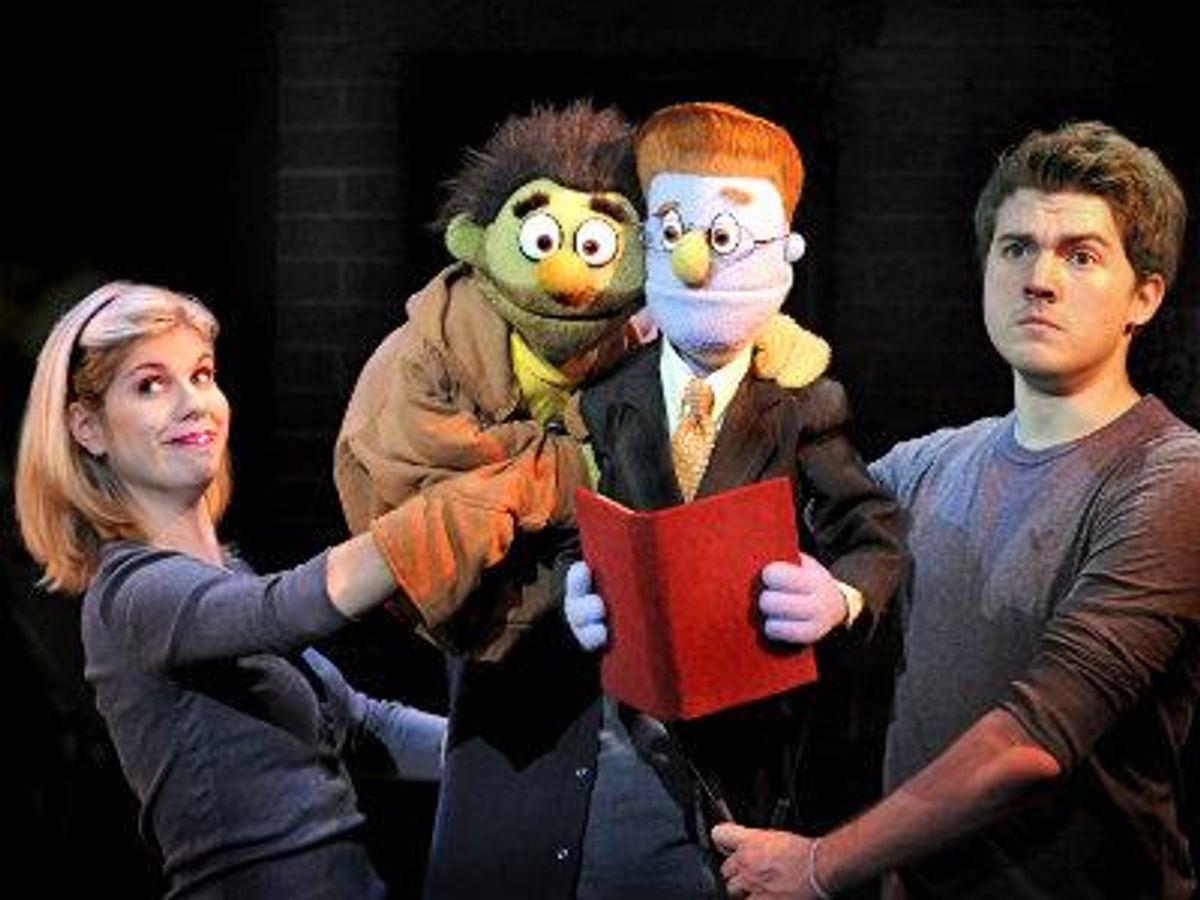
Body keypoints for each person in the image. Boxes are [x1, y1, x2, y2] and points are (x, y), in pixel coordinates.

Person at [711, 120, 1200, 900]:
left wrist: (819, 865)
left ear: (1143, 296)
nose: (1039, 279)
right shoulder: (926, 466)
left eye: (1080, 255)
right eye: (1016, 248)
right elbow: (734, 535)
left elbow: (1032, 742)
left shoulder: (1172, 476)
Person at [8, 280, 543, 899]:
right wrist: (479, 499)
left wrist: (522, 758)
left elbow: (366, 727)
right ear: (87, 427)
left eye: (201, 374)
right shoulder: (131, 595)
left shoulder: (226, 577)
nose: (193, 403)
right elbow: (291, 607)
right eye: (151, 385)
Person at [563, 101, 907, 897]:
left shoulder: (802, 406)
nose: (694, 263)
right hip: (623, 738)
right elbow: (573, 521)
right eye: (674, 232)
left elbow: (873, 530)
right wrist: (577, 585)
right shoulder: (604, 399)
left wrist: (840, 596)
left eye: (723, 237)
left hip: (753, 747)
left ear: (781, 251)